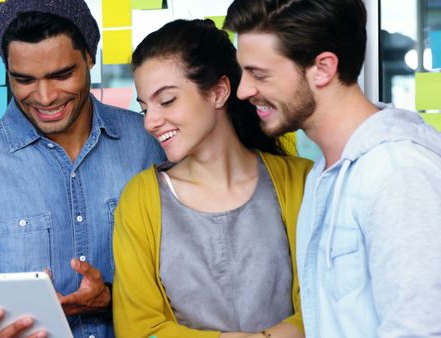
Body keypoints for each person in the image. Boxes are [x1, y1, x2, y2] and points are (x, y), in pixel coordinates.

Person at [0, 0, 164, 337]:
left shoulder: (148, 143)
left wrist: (113, 297)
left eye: (61, 75)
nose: (44, 97)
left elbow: (184, 281)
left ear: (90, 56)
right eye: (24, 79)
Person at [224, 1, 441, 337]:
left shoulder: (398, 174)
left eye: (259, 74)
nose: (244, 90)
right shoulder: (325, 174)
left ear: (323, 68)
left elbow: (422, 329)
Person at [112, 19, 312, 338]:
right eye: (144, 107)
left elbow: (327, 306)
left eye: (166, 101)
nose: (150, 122)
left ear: (218, 92)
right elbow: (138, 329)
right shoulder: (140, 199)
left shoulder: (300, 183)